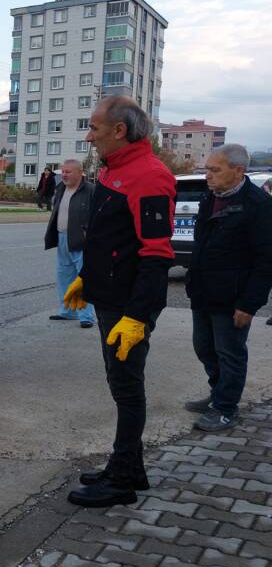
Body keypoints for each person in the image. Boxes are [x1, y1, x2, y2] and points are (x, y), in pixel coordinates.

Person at [63, 96, 176, 508]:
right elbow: (110, 242)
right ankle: (130, 466)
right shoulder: (115, 171)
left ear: (119, 130)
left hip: (129, 308)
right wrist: (85, 279)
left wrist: (138, 317)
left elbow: (156, 254)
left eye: (94, 128)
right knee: (119, 384)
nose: (89, 136)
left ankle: (123, 480)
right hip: (109, 299)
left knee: (127, 389)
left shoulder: (149, 176)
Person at [183, 144, 272, 431]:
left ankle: (225, 407)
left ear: (238, 171)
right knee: (204, 348)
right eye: (207, 169)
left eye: (214, 170)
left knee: (230, 353)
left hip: (233, 298)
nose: (207, 175)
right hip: (204, 292)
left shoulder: (259, 205)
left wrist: (248, 304)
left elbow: (266, 260)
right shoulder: (211, 198)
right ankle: (217, 391)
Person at [45, 159, 96, 328]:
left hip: (81, 241)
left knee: (83, 278)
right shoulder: (60, 189)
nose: (64, 175)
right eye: (63, 171)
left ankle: (86, 316)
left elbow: (97, 216)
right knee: (64, 276)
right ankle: (68, 311)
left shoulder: (90, 190)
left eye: (68, 172)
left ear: (80, 172)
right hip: (62, 238)